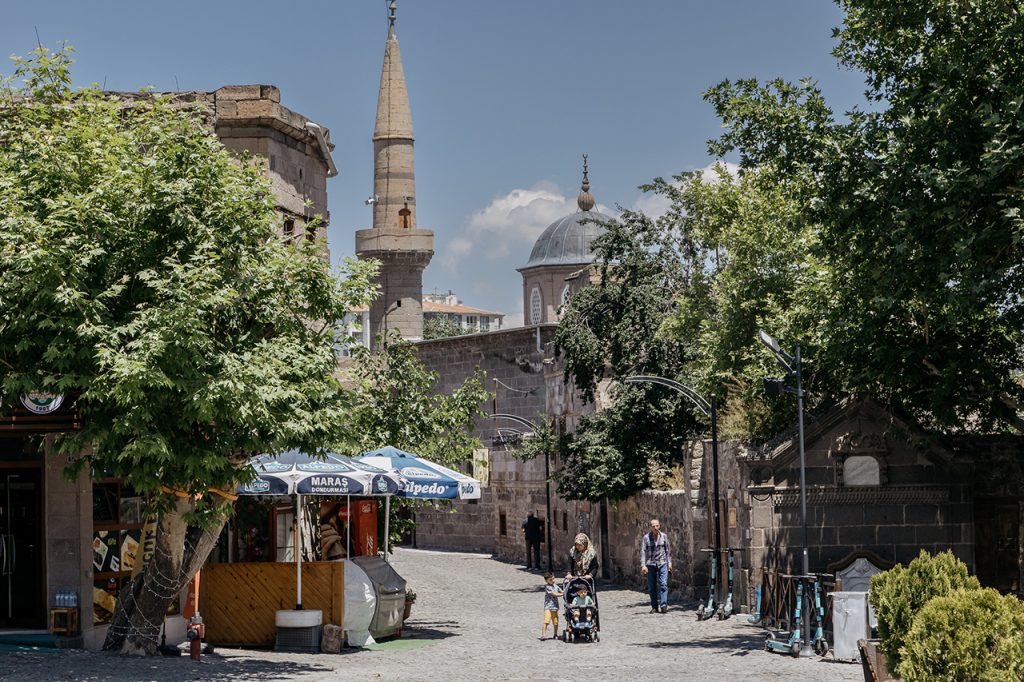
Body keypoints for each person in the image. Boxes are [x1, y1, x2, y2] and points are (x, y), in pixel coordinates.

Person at [640, 518, 672, 613]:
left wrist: (669, 563)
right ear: (651, 527)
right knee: (651, 586)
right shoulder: (646, 538)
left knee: (663, 584)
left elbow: (668, 551)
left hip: (662, 563)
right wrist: (643, 565)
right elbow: (642, 551)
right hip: (651, 564)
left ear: (659, 526)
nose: (655, 528)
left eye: (657, 526)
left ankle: (663, 605)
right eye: (653, 526)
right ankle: (654, 606)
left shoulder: (664, 537)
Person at [540, 571, 562, 640]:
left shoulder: (555, 585)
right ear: (546, 580)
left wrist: (565, 592)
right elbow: (554, 594)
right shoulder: (548, 587)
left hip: (555, 607)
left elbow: (561, 591)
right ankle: (543, 634)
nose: (553, 580)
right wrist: (562, 594)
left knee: (555, 622)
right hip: (548, 607)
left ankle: (555, 634)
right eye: (551, 580)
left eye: (553, 579)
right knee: (546, 621)